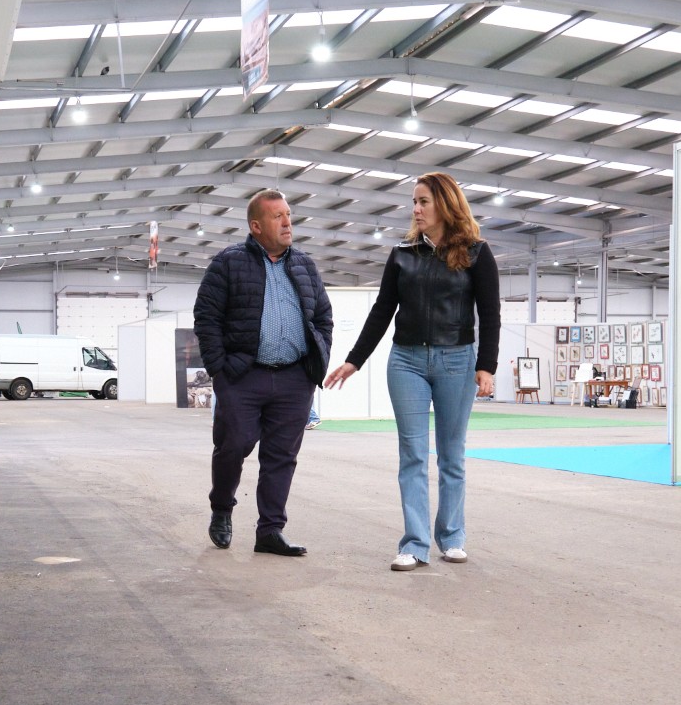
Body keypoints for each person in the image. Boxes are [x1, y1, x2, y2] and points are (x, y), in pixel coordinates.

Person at [324, 172, 499, 571]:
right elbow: (382, 311)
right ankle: (415, 544)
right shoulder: (402, 253)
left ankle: (452, 537)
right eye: (414, 202)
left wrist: (486, 366)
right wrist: (354, 360)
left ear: (446, 205)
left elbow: (490, 314)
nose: (416, 209)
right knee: (412, 455)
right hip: (406, 362)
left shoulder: (477, 252)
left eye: (423, 201)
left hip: (457, 361)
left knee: (451, 455)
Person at [193, 189, 332, 556]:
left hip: (294, 378)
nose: (287, 223)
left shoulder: (304, 264)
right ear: (256, 226)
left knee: (281, 456)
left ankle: (270, 530)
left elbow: (322, 316)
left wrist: (315, 361)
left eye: (288, 215)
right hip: (242, 376)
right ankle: (222, 509)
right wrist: (220, 369)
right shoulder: (228, 263)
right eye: (277, 217)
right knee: (233, 445)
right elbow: (206, 317)